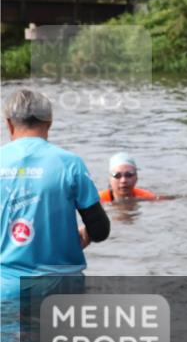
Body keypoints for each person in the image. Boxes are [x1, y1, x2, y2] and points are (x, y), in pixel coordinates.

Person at [1, 89, 110, 298]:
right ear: (49, 122)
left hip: (6, 289)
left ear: (9, 123)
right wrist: (85, 234)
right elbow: (100, 229)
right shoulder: (70, 163)